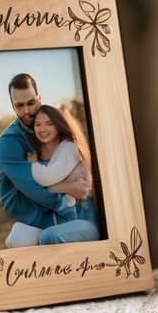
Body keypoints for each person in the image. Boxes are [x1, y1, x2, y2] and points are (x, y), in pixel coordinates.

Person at [0, 74, 98, 247]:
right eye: (19, 106)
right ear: (13, 106)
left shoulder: (58, 136)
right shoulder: (9, 143)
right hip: (36, 213)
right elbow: (36, 186)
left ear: (39, 99)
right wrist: (69, 191)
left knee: (48, 239)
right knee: (21, 240)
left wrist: (78, 190)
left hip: (70, 213)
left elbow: (80, 182)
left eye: (31, 103)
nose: (26, 111)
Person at [23, 104, 100, 245]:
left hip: (85, 223)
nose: (42, 129)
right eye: (37, 124)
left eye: (49, 124)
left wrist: (35, 164)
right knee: (17, 233)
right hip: (62, 223)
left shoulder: (69, 147)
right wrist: (68, 186)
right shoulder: (45, 156)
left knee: (48, 237)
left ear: (58, 125)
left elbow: (45, 179)